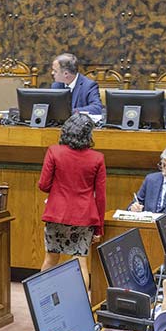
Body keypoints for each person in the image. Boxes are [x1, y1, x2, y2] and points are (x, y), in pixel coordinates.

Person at [38, 113, 106, 289]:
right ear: (88, 134)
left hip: (56, 215)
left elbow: (43, 185)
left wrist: (58, 189)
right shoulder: (97, 158)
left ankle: (41, 304)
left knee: (50, 259)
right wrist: (99, 228)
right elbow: (101, 196)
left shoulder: (54, 151)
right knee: (80, 263)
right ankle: (81, 308)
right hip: (83, 218)